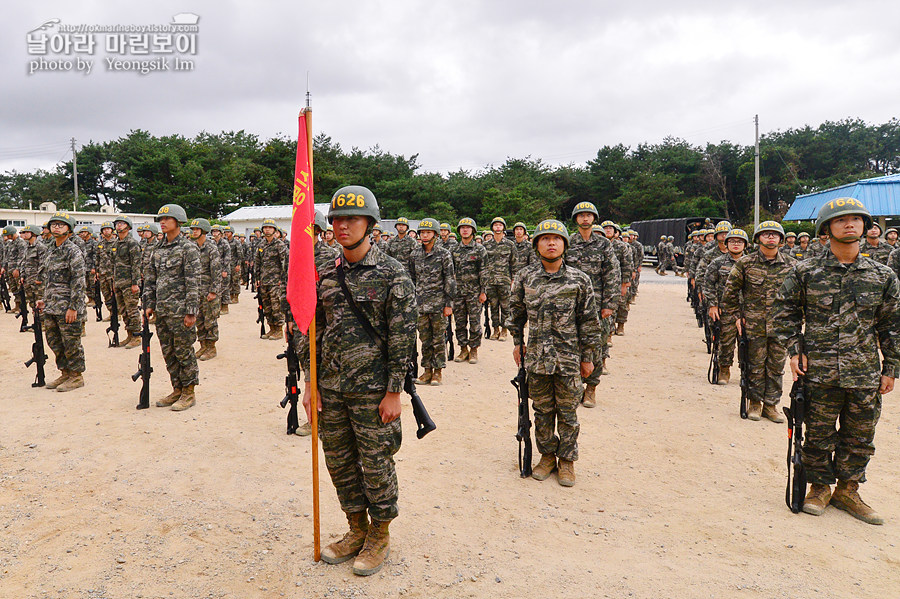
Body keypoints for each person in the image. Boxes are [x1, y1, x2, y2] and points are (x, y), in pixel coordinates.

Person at [302, 185, 417, 576]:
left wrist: (394, 392)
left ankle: (379, 535)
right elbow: (312, 333)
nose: (342, 226)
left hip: (373, 391)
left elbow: (403, 337)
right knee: (339, 462)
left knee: (376, 463)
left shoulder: (392, 273)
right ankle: (356, 529)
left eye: (352, 218)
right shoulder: (325, 274)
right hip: (331, 388)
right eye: (336, 219)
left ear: (370, 223)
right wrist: (310, 383)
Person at [774, 198, 898, 525]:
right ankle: (819, 488)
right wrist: (794, 349)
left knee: (860, 436)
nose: (850, 224)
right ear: (826, 228)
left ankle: (848, 490)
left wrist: (891, 367)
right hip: (819, 370)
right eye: (841, 220)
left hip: (864, 372)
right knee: (817, 433)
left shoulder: (882, 275)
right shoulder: (806, 271)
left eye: (856, 219)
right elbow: (784, 313)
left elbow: (891, 325)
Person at [507, 219, 603, 487]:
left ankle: (567, 461)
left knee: (568, 412)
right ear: (537, 244)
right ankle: (547, 455)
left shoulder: (579, 280)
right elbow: (515, 314)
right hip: (537, 358)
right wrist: (517, 342)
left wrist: (588, 358)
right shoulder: (526, 277)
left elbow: (589, 323)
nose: (551, 243)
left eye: (557, 239)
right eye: (545, 238)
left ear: (564, 244)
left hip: (569, 359)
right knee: (542, 410)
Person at [720, 221, 796, 421]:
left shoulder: (792, 265)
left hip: (781, 327)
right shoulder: (745, 264)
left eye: (774, 234)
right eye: (766, 234)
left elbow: (800, 296)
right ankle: (755, 403)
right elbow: (729, 294)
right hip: (753, 326)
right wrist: (737, 316)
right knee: (755, 365)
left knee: (776, 367)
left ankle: (771, 406)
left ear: (781, 239)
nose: (770, 237)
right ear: (758, 239)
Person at [144, 204, 201, 411]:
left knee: (184, 351)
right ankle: (176, 388)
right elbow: (150, 279)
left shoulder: (188, 248)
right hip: (162, 311)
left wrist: (191, 311)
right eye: (160, 219)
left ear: (178, 221)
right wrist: (149, 303)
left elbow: (193, 281)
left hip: (180, 311)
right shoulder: (157, 249)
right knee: (168, 352)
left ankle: (189, 392)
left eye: (167, 219)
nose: (162, 222)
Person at [565, 203, 618, 405]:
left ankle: (591, 388)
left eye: (588, 215)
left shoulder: (604, 244)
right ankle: (575, 385)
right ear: (576, 219)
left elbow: (612, 274)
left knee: (596, 345)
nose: (585, 219)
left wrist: (609, 304)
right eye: (581, 216)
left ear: (594, 218)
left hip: (597, 305)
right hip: (572, 304)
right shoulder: (569, 242)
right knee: (572, 344)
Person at [36, 212, 86, 392]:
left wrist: (74, 307)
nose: (56, 227)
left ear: (69, 229)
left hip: (67, 306)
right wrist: (44, 299)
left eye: (61, 224)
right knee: (54, 341)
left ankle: (76, 376)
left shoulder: (73, 251)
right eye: (54, 224)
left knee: (71, 342)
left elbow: (79, 281)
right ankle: (65, 372)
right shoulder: (51, 250)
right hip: (52, 305)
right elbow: (49, 279)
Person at [408, 218, 455, 385]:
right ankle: (426, 371)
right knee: (425, 339)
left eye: (428, 232)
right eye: (422, 232)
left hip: (438, 303)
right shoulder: (414, 254)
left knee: (439, 339)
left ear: (435, 234)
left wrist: (449, 304)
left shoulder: (444, 254)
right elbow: (412, 278)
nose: (424, 235)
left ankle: (438, 372)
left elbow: (449, 279)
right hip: (420, 304)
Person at [702, 228, 748, 383]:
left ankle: (746, 373)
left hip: (747, 311)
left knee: (748, 344)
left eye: (739, 242)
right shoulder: (718, 263)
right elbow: (708, 284)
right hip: (725, 309)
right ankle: (724, 370)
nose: (736, 244)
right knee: (726, 343)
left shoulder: (751, 263)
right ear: (726, 244)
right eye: (732, 241)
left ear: (745, 245)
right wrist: (713, 305)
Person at [450, 218, 488, 364]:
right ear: (459, 231)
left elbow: (484, 271)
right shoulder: (453, 249)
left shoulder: (480, 249)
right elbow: (449, 271)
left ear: (473, 230)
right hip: (458, 292)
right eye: (462, 228)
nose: (465, 230)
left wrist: (483, 291)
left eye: (468, 228)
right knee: (459, 322)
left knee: (475, 322)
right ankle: (463, 349)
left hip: (474, 292)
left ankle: (474, 350)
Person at [189, 218, 222, 361]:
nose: (194, 231)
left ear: (203, 231)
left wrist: (213, 291)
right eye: (193, 229)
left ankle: (211, 347)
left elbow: (216, 271)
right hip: (196, 290)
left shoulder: (211, 248)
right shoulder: (192, 247)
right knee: (199, 320)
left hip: (208, 290)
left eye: (196, 229)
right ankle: (203, 345)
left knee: (210, 319)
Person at [483, 217, 517, 340]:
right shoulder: (486, 245)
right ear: (492, 228)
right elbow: (483, 264)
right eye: (495, 225)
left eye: (500, 225)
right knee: (493, 306)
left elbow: (514, 263)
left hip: (505, 280)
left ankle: (504, 330)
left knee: (506, 307)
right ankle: (495, 329)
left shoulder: (510, 244)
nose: (498, 227)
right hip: (490, 281)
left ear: (503, 227)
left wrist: (513, 280)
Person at [254, 218, 289, 339]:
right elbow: (257, 262)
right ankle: (271, 328)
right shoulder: (261, 245)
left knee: (276, 306)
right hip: (264, 281)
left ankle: (278, 329)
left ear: (274, 230)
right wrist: (257, 278)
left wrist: (282, 279)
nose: (267, 229)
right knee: (267, 306)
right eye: (265, 227)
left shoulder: (280, 245)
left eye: (270, 227)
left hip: (276, 281)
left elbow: (285, 263)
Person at [112, 216, 143, 349]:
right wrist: (114, 281)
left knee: (132, 310)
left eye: (122, 223)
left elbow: (136, 264)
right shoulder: (116, 243)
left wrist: (135, 283)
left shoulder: (132, 243)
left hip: (130, 283)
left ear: (128, 227)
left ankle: (137, 336)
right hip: (119, 282)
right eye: (117, 223)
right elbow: (114, 264)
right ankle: (129, 334)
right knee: (123, 311)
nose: (119, 226)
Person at [211, 225, 232, 314]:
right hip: (214, 269)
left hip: (224, 269)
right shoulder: (211, 243)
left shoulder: (224, 243)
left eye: (216, 231)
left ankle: (225, 307)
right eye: (213, 231)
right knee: (216, 288)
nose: (214, 233)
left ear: (220, 233)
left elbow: (227, 257)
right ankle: (217, 306)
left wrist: (224, 270)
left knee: (224, 288)